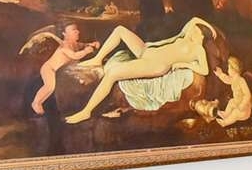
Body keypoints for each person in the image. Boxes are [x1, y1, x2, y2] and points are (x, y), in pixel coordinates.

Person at [64, 16, 216, 123]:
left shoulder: (198, 49)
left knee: (112, 74)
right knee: (120, 30)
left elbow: (205, 70)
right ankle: (97, 59)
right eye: (194, 30)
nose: (192, 30)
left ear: (202, 36)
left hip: (156, 64)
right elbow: (194, 20)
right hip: (147, 51)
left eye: (197, 31)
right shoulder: (188, 36)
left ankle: (87, 111)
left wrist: (184, 64)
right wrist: (208, 27)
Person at [26, 22, 99, 115]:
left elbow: (82, 45)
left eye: (77, 29)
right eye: (73, 30)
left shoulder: (75, 44)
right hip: (49, 69)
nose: (77, 32)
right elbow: (75, 55)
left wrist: (91, 44)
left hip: (61, 71)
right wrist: (85, 51)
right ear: (64, 34)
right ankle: (36, 102)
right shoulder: (64, 46)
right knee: (49, 86)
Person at [213, 56, 252, 126]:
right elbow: (227, 79)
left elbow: (247, 95)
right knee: (231, 102)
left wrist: (242, 105)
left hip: (244, 109)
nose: (228, 70)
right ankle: (225, 114)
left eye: (229, 68)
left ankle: (225, 122)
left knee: (235, 113)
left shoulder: (241, 80)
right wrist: (220, 74)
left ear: (234, 69)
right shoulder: (234, 79)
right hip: (237, 102)